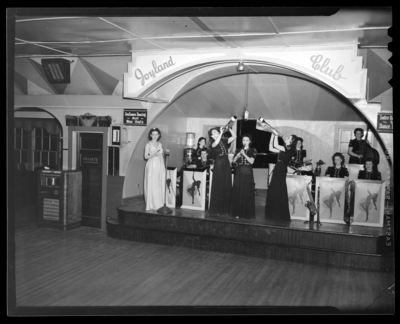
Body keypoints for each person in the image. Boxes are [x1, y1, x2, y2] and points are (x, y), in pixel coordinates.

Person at [265, 131, 298, 222]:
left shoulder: (291, 150)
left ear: (291, 141)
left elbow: (276, 144)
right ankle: (273, 213)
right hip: (278, 169)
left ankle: (278, 214)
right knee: (275, 189)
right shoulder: (284, 149)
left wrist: (276, 135)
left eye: (289, 137)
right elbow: (271, 147)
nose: (286, 137)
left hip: (281, 169)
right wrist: (272, 136)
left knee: (278, 189)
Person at [208, 126, 236, 215]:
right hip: (219, 164)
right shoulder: (212, 141)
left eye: (217, 132)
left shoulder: (223, 140)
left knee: (226, 184)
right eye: (215, 132)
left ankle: (226, 208)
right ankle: (217, 208)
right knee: (219, 184)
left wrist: (229, 128)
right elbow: (215, 144)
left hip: (226, 163)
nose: (217, 133)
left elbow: (234, 136)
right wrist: (220, 133)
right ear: (212, 136)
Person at [230, 134, 257, 219]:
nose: (244, 142)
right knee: (238, 191)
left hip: (248, 171)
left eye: (246, 140)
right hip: (239, 171)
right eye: (243, 140)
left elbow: (251, 162)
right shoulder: (238, 150)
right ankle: (238, 212)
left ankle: (246, 213)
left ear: (250, 141)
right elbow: (233, 162)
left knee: (246, 191)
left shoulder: (253, 150)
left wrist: (244, 154)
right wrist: (237, 156)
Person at [143, 128, 165, 210]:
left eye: (156, 134)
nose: (155, 136)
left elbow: (160, 156)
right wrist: (154, 154)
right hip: (152, 165)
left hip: (159, 164)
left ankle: (158, 203)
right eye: (153, 134)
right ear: (150, 135)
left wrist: (162, 167)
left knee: (158, 183)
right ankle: (151, 204)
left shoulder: (160, 144)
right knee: (152, 183)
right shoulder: (148, 144)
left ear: (159, 135)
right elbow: (145, 157)